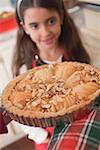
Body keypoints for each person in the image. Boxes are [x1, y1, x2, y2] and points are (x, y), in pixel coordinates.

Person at [1, 0, 99, 149]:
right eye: (35, 25)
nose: (45, 32)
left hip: (83, 124)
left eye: (51, 21)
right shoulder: (23, 68)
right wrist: (42, 137)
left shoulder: (80, 51)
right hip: (46, 137)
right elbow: (20, 112)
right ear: (24, 27)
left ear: (61, 17)